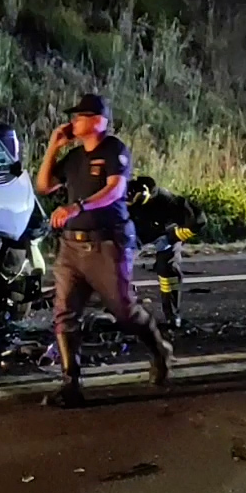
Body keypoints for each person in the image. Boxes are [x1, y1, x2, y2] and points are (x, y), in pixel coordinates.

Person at [35, 94, 173, 408]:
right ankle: (71, 383)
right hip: (71, 245)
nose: (73, 122)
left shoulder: (114, 150)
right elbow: (43, 186)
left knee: (123, 311)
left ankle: (159, 350)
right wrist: (54, 146)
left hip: (107, 243)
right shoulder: (73, 158)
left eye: (80, 116)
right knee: (65, 313)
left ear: (98, 120)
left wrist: (77, 206)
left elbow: (115, 190)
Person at [127, 176, 206, 329]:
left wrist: (174, 237)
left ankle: (172, 315)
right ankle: (118, 309)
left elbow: (199, 221)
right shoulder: (120, 196)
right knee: (117, 270)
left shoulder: (168, 201)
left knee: (168, 272)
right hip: (135, 233)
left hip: (165, 233)